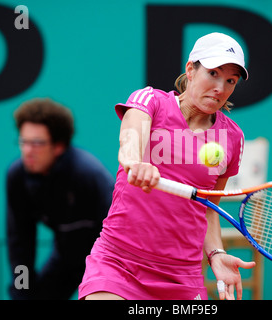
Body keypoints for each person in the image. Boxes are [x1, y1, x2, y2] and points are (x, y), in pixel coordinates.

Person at [79, 32, 255, 300]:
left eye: (230, 80)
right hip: (119, 264)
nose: (221, 87)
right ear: (190, 70)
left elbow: (209, 209)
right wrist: (136, 163)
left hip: (182, 277)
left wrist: (216, 254)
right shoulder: (151, 102)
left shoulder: (233, 138)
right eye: (213, 73)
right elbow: (130, 140)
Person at [6, 98, 115, 299]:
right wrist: (22, 288)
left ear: (59, 146)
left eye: (37, 143)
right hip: (65, 257)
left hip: (105, 260)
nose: (28, 151)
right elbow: (20, 244)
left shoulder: (88, 175)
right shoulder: (17, 177)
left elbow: (120, 234)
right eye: (24, 142)